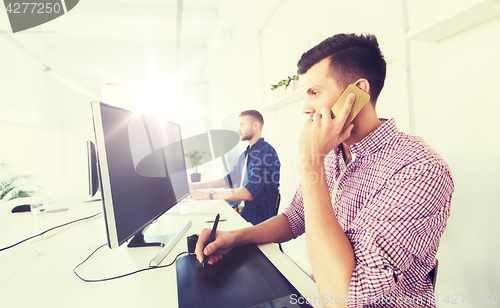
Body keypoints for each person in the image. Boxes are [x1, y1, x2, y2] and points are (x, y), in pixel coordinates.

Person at [195, 33, 454, 308]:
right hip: (316, 292)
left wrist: (310, 161)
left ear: (357, 93)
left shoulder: (419, 169)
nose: (306, 108)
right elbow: (295, 218)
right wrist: (236, 237)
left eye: (315, 93)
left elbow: (344, 298)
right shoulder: (332, 154)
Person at [189, 110, 281, 225]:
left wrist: (209, 195)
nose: (238, 129)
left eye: (242, 125)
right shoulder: (246, 154)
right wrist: (195, 186)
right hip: (246, 214)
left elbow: (249, 192)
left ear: (255, 125)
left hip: (260, 221)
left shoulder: (266, 152)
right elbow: (228, 180)